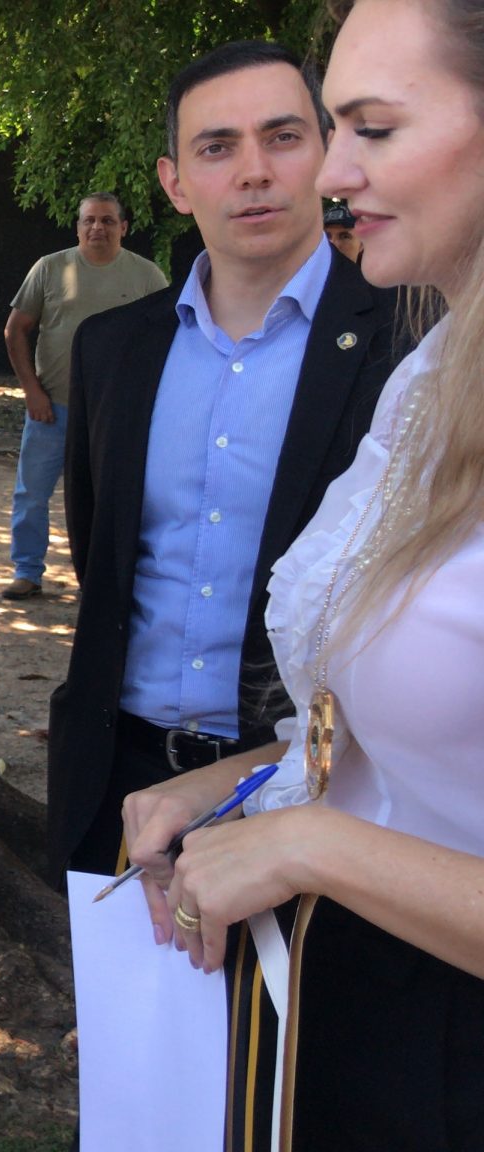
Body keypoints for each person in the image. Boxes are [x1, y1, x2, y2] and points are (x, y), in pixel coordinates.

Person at [123, 2, 484, 1143]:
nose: (327, 171)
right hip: (359, 1010)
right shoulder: (435, 368)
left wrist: (305, 841)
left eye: (369, 128)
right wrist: (246, 782)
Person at [48, 41, 400, 880]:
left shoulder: (407, 346)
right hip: (118, 781)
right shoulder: (113, 349)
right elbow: (100, 544)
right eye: (218, 147)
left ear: (324, 153)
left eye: (282, 138)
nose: (253, 172)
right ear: (174, 182)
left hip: (311, 788)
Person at [0, 193, 169, 601]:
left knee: (110, 498)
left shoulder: (147, 277)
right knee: (31, 494)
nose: (98, 228)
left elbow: (166, 339)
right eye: (89, 220)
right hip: (50, 409)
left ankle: (101, 579)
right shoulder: (50, 268)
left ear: (124, 227)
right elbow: (15, 330)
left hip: (115, 414)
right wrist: (31, 391)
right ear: (77, 226)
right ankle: (27, 571)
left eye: (108, 221)